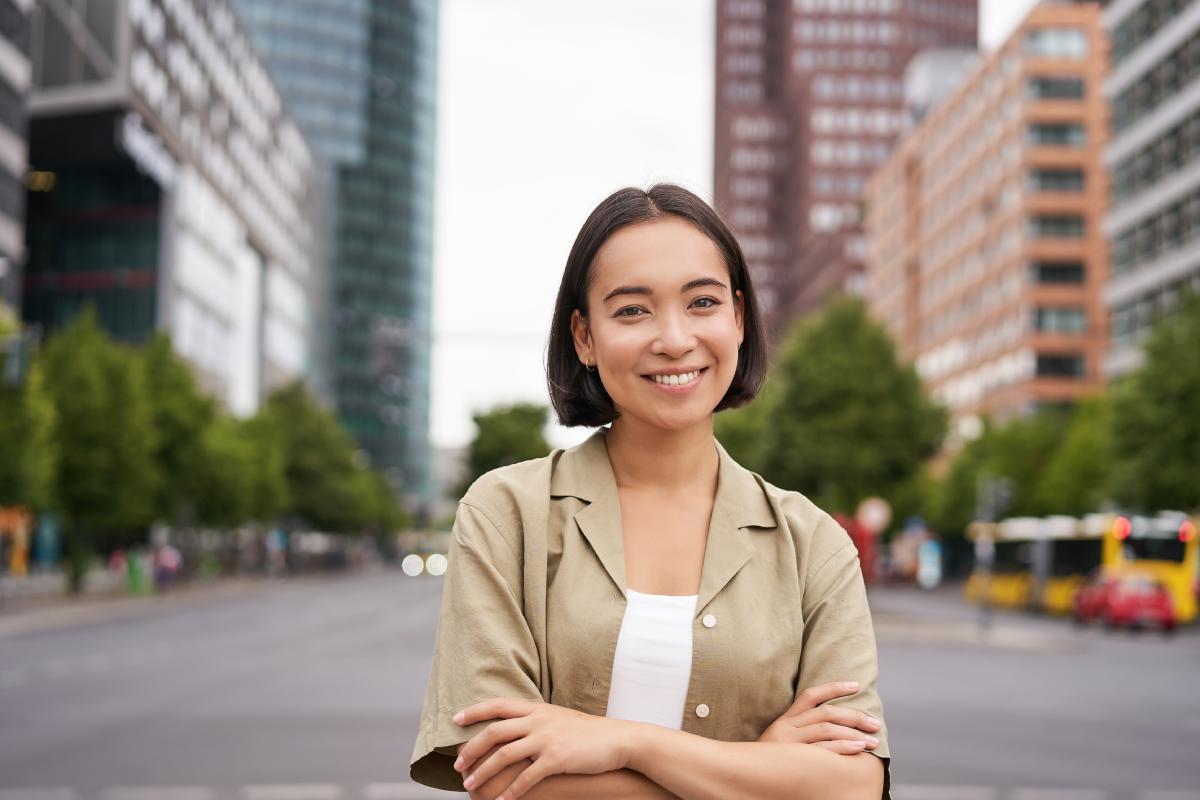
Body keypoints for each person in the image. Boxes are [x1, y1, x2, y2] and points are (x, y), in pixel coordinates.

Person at [411, 184, 891, 800]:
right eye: (633, 310)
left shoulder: (812, 541)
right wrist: (761, 770)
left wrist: (624, 742)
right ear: (584, 336)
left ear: (738, 319)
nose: (673, 338)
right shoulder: (507, 513)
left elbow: (852, 786)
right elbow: (502, 773)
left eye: (702, 303)